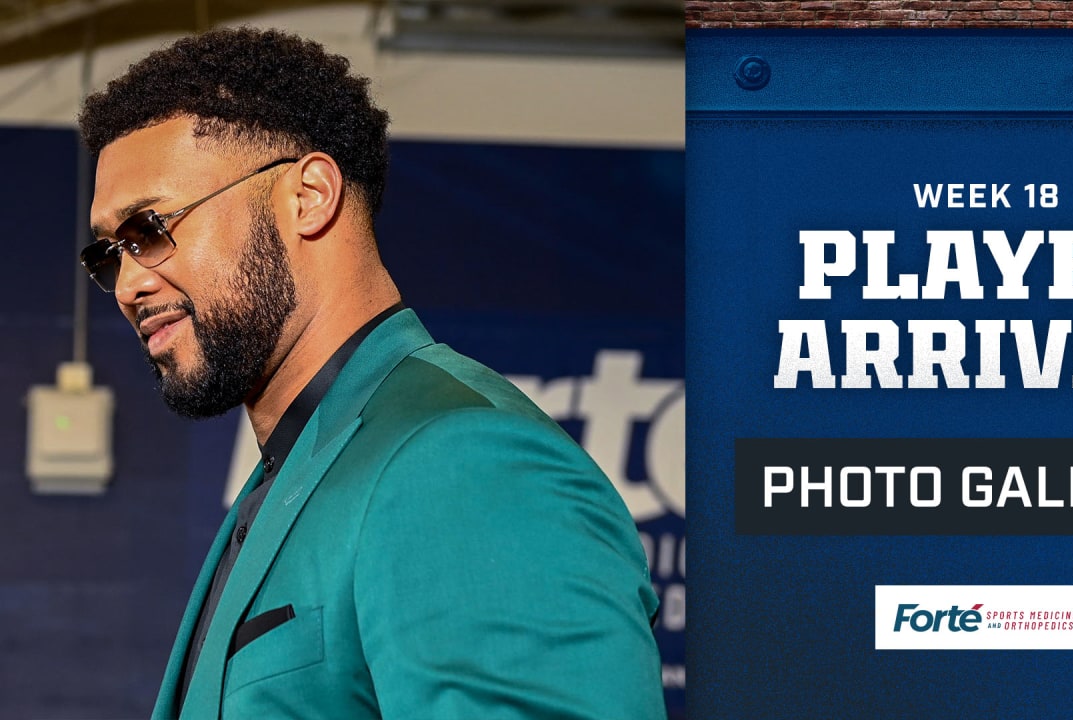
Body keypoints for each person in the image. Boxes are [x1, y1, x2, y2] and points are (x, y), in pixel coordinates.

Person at [78, 27, 664, 720]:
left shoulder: (464, 462)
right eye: (110, 254)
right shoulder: (295, 472)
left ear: (309, 196)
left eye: (149, 228)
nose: (127, 285)